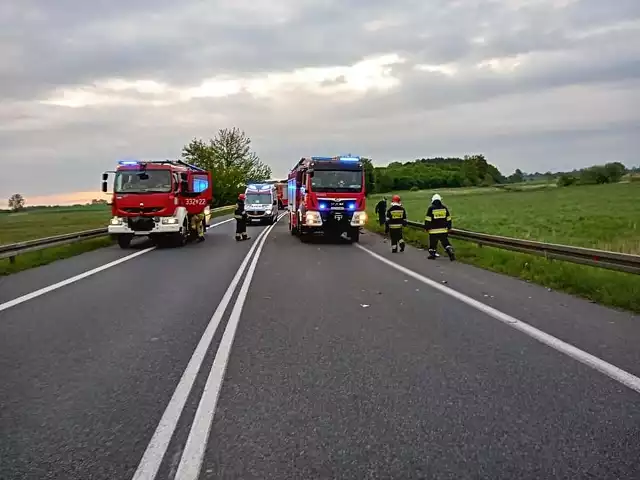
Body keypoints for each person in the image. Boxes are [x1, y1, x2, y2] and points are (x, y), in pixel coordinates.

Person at [424, 193, 455, 261]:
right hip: (443, 230)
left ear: (433, 200)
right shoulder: (444, 208)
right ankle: (450, 251)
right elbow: (448, 219)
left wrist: (427, 228)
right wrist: (449, 227)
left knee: (433, 244)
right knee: (445, 243)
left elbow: (428, 219)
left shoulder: (431, 208)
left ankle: (432, 254)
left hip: (433, 231)